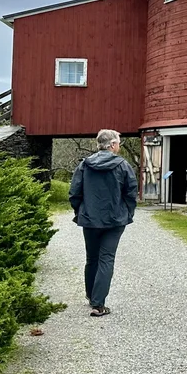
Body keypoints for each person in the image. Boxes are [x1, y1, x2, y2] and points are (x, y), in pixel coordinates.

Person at [69, 129, 138, 317]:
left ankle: (92, 295)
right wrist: (127, 212)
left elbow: (74, 193)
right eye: (118, 143)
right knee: (106, 258)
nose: (119, 146)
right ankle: (98, 304)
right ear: (113, 145)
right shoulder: (123, 166)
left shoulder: (85, 165)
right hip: (115, 220)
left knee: (92, 258)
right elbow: (131, 192)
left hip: (90, 219)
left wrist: (81, 211)